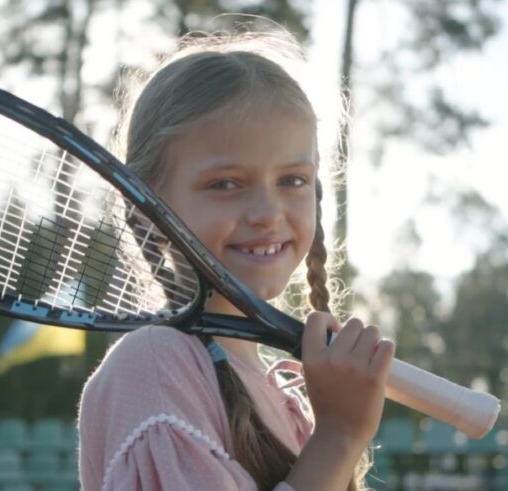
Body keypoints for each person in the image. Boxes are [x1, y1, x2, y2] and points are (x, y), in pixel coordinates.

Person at [78, 27, 395, 491]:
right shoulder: (154, 368)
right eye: (225, 184)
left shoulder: (278, 396)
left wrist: (333, 433)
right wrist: (341, 437)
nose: (268, 214)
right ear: (145, 212)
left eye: (292, 180)